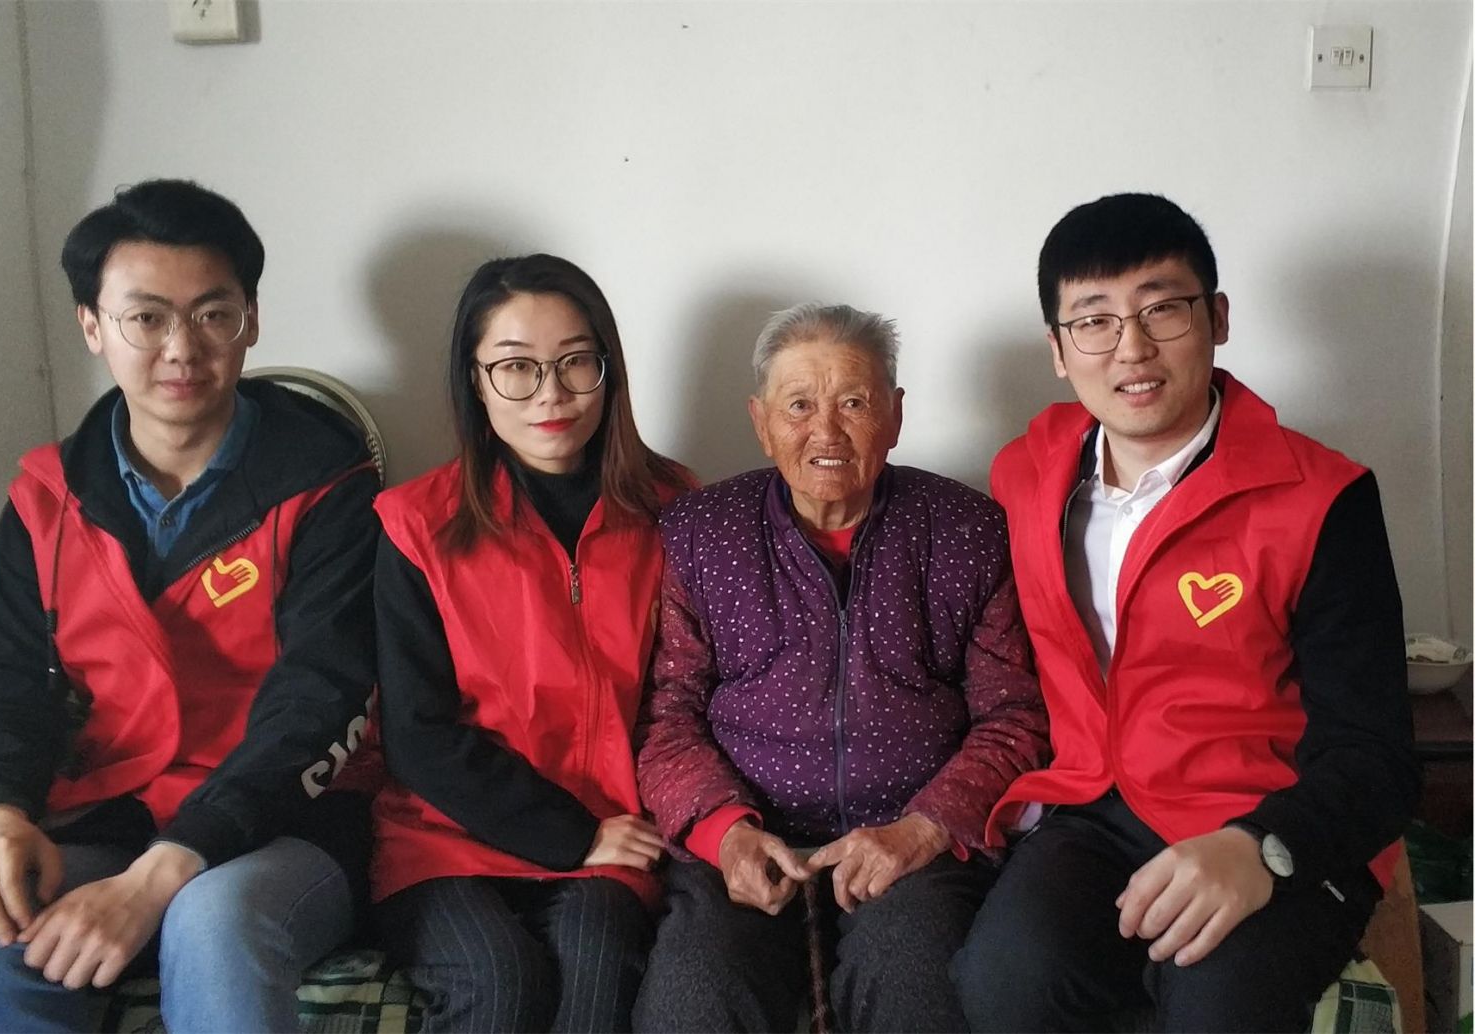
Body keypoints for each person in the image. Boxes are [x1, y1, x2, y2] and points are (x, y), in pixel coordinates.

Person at [951, 192, 1419, 1032]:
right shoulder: (1027, 472)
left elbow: (1376, 754)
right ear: (1058, 350)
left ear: (1218, 318)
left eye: (1162, 309)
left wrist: (1262, 848)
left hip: (1267, 815)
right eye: (1094, 321)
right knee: (1004, 979)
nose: (1131, 347)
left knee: (1216, 1005)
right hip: (1093, 813)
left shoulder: (1323, 498)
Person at [0, 179, 380, 1032]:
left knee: (213, 920)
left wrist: (165, 872)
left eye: (212, 315)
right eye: (146, 318)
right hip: (110, 808)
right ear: (92, 326)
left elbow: (321, 693)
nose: (181, 348)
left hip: (283, 824)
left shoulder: (328, 486)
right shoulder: (48, 497)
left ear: (251, 321)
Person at [633, 303, 1050, 1034]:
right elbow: (667, 716)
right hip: (746, 838)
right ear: (761, 422)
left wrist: (923, 830)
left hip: (913, 842)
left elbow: (1014, 717)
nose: (826, 432)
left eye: (853, 403)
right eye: (799, 405)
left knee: (915, 990)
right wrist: (725, 832)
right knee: (691, 1001)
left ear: (894, 415)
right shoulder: (700, 534)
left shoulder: (969, 531)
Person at [370, 254, 690, 1033]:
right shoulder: (417, 525)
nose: (551, 393)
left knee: (598, 962)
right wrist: (571, 835)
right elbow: (416, 733)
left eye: (576, 362)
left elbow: (690, 697)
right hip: (444, 839)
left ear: (608, 372)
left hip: (617, 834)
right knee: (498, 979)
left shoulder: (675, 510)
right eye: (516, 367)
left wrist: (609, 834)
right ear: (475, 382)